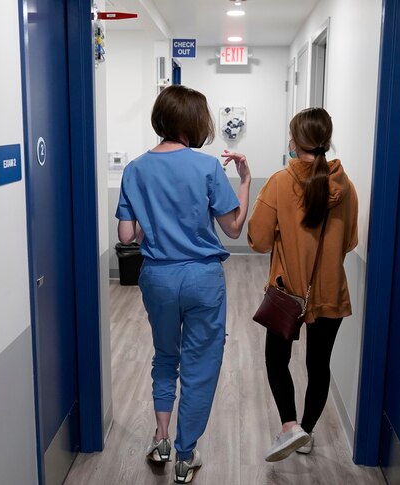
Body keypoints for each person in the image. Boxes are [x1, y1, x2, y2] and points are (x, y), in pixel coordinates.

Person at [115, 85, 251, 484]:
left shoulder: (135, 168)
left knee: (164, 356)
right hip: (201, 279)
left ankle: (160, 438)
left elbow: (126, 235)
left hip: (157, 277)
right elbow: (233, 226)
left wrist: (154, 224)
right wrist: (243, 182)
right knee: (201, 364)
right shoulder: (208, 167)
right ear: (195, 122)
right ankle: (185, 454)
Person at [247, 108, 359, 462]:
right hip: (330, 291)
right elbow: (350, 241)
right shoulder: (345, 184)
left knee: (276, 360)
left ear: (295, 141)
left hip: (288, 291)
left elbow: (259, 240)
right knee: (319, 365)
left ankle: (289, 426)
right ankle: (307, 434)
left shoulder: (281, 182)